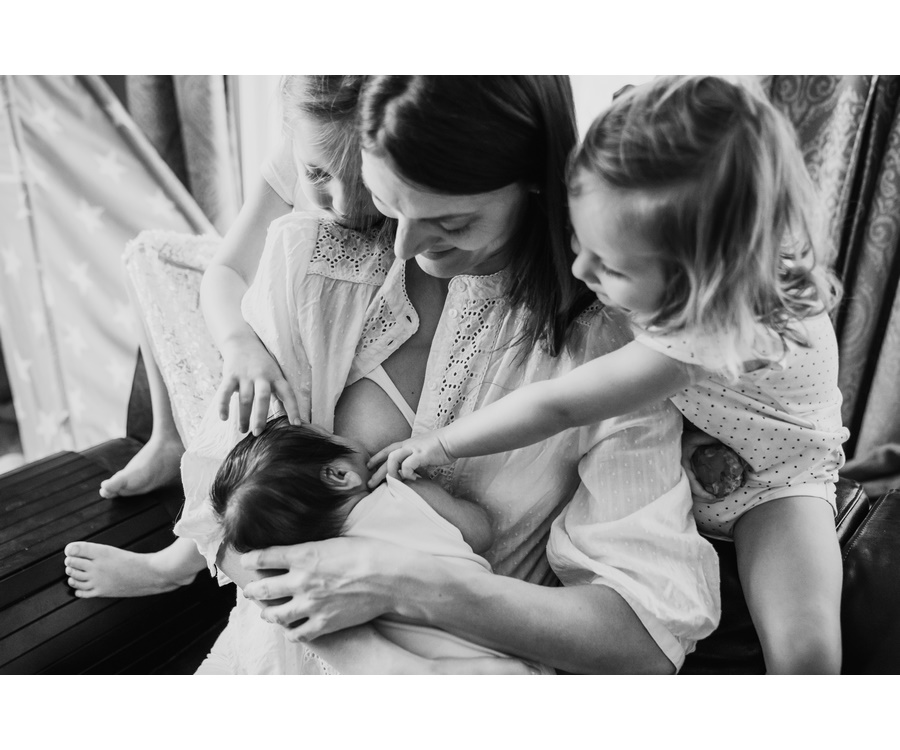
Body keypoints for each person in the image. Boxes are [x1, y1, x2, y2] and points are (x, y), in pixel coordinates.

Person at [202, 75, 719, 674]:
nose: (404, 246)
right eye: (389, 202)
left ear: (533, 177)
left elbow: (644, 642)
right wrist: (352, 647)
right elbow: (225, 513)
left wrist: (405, 586)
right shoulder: (312, 261)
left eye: (451, 222)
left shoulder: (611, 353)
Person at [373, 76, 847, 674]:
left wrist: (441, 443)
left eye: (611, 268)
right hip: (702, 448)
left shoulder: (700, 334)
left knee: (804, 653)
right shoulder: (680, 233)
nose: (580, 269)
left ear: (697, 277)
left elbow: (558, 405)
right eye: (579, 240)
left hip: (777, 485)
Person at [64, 75, 383, 597]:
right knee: (151, 255)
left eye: (363, 180)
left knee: (262, 394)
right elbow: (226, 271)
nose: (345, 205)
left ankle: (174, 565)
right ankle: (168, 437)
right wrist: (238, 344)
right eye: (319, 174)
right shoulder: (294, 154)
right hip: (260, 332)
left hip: (318, 352)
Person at [209, 415, 552, 672]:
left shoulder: (319, 577)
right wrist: (422, 482)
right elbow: (481, 531)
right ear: (340, 475)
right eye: (331, 435)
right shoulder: (403, 493)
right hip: (505, 645)